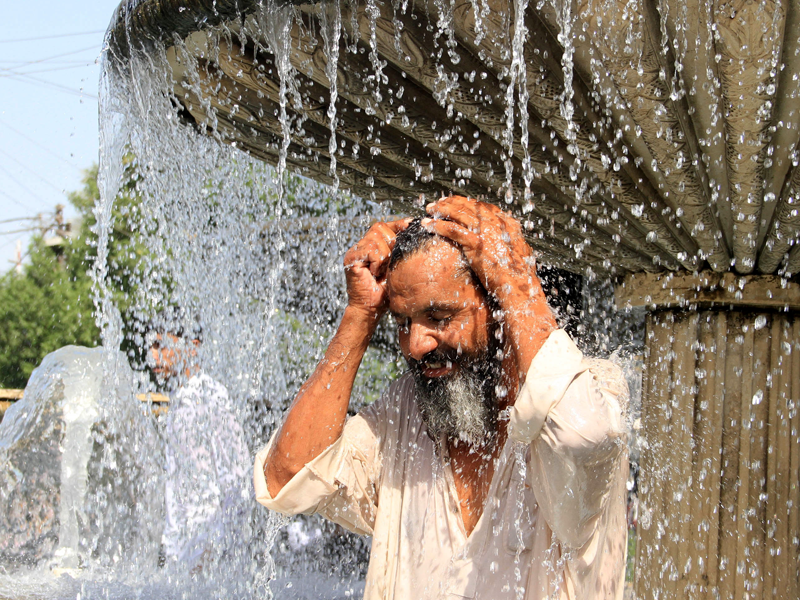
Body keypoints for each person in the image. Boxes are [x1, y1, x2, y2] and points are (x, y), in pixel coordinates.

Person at [254, 196, 629, 599]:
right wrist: (360, 314)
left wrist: (516, 284)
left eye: (439, 317)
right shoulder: (405, 410)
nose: (415, 345)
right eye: (402, 322)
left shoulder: (595, 391)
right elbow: (287, 477)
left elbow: (580, 436)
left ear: (499, 306)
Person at [148, 331, 250, 573]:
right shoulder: (180, 397)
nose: (153, 356)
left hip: (205, 547)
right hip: (181, 547)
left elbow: (238, 477)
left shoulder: (211, 396)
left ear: (192, 347)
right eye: (150, 347)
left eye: (161, 346)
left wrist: (214, 549)